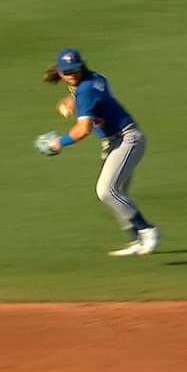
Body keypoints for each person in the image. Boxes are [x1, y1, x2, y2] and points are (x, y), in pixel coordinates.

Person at [36, 48, 160, 256]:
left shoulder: (84, 89)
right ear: (60, 72)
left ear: (81, 66)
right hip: (116, 141)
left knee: (106, 191)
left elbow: (83, 130)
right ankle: (137, 240)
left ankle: (147, 230)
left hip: (128, 140)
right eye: (68, 71)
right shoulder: (95, 78)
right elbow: (95, 93)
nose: (72, 74)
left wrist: (59, 143)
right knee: (118, 194)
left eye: (75, 69)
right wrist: (71, 101)